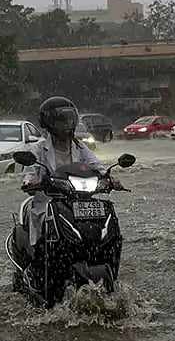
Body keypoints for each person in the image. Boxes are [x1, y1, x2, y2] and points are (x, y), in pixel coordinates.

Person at [21, 96, 110, 248]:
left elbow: (96, 166)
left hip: (79, 204)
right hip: (49, 205)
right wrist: (32, 182)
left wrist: (109, 178)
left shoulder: (81, 148)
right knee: (45, 239)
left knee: (104, 227)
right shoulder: (38, 149)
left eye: (68, 121)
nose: (66, 126)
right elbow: (28, 175)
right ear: (49, 124)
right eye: (61, 122)